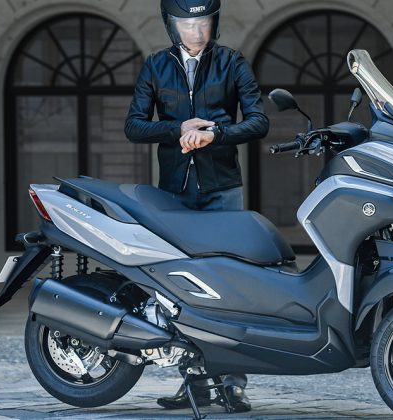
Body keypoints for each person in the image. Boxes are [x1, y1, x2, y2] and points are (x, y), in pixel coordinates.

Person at [123, 0, 268, 413]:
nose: (197, 32)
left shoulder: (232, 62)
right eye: (187, 24)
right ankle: (196, 383)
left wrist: (215, 134)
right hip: (174, 192)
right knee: (180, 287)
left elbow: (258, 121)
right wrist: (178, 128)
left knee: (231, 286)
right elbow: (134, 126)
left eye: (203, 22)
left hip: (223, 189)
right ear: (172, 26)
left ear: (213, 22)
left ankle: (233, 385)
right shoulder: (156, 66)